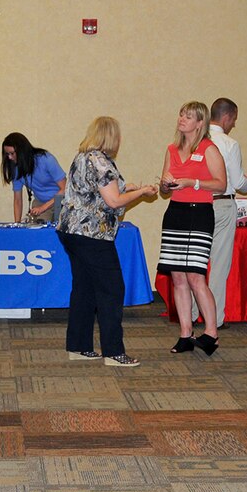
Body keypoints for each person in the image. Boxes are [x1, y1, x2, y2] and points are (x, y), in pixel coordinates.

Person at [57, 117, 156, 367]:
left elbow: (98, 195)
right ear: (112, 137)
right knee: (112, 290)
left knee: (84, 289)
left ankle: (79, 346)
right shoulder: (100, 161)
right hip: (93, 235)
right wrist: (141, 192)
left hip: (71, 231)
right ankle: (114, 352)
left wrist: (129, 190)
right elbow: (113, 201)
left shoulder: (82, 157)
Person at [158, 101, 227, 356]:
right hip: (175, 213)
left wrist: (192, 182)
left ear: (200, 123)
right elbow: (164, 187)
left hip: (199, 214)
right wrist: (165, 185)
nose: (182, 119)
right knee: (177, 276)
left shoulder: (209, 148)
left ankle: (211, 333)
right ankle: (185, 334)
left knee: (196, 276)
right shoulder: (171, 149)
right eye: (181, 114)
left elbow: (221, 184)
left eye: (188, 116)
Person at [191, 97, 247, 330]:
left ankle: (190, 311)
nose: (234, 124)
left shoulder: (197, 141)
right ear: (227, 116)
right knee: (218, 263)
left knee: (194, 260)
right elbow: (237, 182)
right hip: (222, 204)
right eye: (234, 119)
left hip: (196, 204)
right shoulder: (229, 143)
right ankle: (214, 317)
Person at [1, 132, 66, 223]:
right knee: (38, 228)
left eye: (12, 153)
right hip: (40, 202)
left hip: (61, 201)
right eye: (7, 154)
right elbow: (17, 200)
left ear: (22, 151)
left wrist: (43, 208)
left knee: (60, 229)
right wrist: (17, 224)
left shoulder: (46, 159)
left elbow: (65, 189)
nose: (9, 157)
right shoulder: (16, 169)